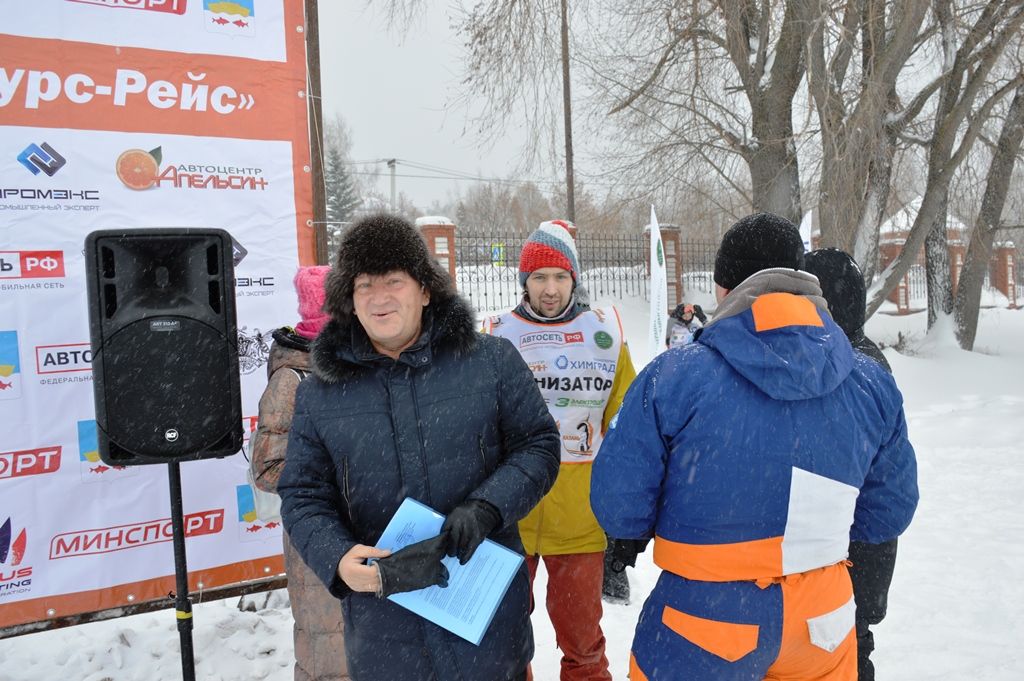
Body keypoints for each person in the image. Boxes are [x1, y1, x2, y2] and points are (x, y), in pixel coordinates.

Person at [591, 213, 918, 680]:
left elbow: (619, 505)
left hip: (705, 618)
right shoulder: (869, 383)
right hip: (821, 622)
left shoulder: (675, 377)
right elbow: (889, 511)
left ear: (724, 290)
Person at [277, 213, 561, 681]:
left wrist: (488, 507)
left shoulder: (490, 362)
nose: (379, 297)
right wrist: (336, 557)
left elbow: (539, 446)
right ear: (348, 298)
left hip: (485, 626)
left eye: (394, 280)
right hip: (384, 634)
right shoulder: (320, 392)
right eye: (364, 284)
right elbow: (303, 494)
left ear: (425, 290)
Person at [482, 219, 636, 681]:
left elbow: (627, 427)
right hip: (511, 516)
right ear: (523, 282)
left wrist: (628, 507)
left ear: (575, 278)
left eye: (560, 276)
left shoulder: (605, 335)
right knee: (504, 646)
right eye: (538, 277)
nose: (550, 289)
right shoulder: (495, 336)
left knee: (584, 647)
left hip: (581, 520)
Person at [250, 266, 348, 681]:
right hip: (315, 536)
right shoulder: (293, 378)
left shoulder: (359, 364)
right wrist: (334, 475)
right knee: (327, 652)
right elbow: (267, 467)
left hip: (362, 530)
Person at [804, 247, 897, 681]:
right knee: (851, 650)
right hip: (858, 554)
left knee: (842, 652)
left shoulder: (843, 368)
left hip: (838, 555)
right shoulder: (869, 360)